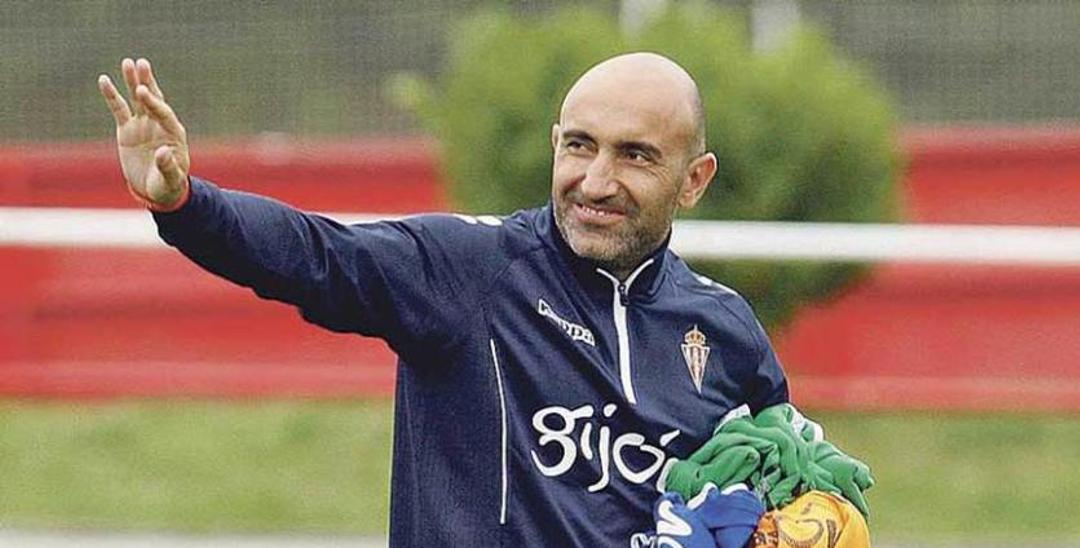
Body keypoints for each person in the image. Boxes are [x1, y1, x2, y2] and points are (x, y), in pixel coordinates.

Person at [97, 53, 790, 546]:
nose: (596, 180)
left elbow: (786, 481)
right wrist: (187, 203)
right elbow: (317, 257)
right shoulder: (470, 269)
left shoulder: (723, 330)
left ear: (694, 179)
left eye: (635, 156)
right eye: (580, 147)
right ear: (555, 145)